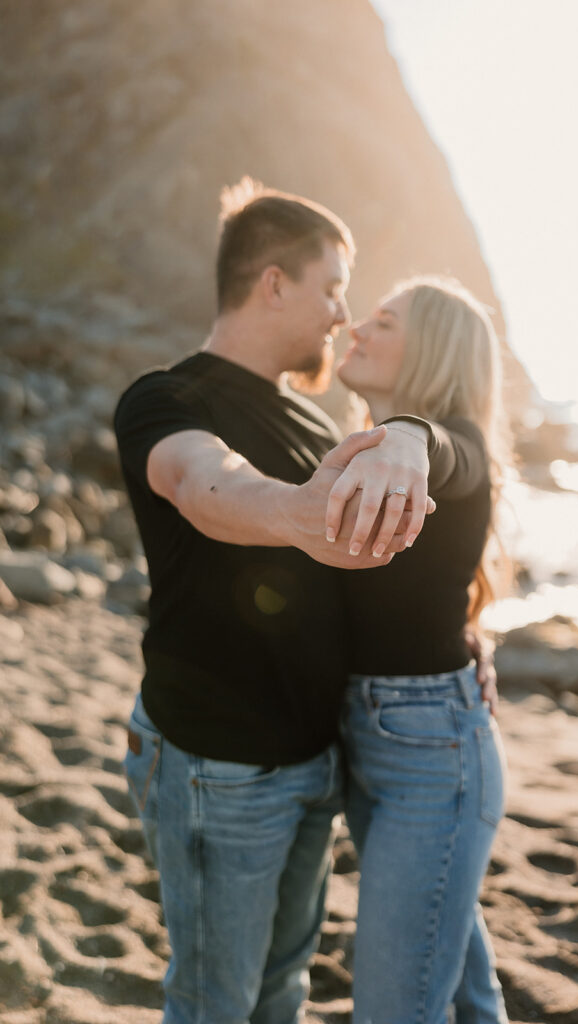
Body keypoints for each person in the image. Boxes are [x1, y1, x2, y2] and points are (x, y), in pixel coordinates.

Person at [114, 180, 468, 1024]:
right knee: (213, 1003)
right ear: (272, 283)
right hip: (218, 769)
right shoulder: (166, 398)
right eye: (332, 289)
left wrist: (464, 635)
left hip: (316, 764)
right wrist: (296, 514)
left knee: (281, 990)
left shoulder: (315, 423)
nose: (342, 317)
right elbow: (202, 481)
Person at [332, 277, 509, 1024]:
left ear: (431, 352)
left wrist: (408, 433)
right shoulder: (359, 456)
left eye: (382, 321)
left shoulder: (448, 448)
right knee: (464, 992)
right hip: (372, 739)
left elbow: (449, 451)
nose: (354, 328)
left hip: (430, 755)